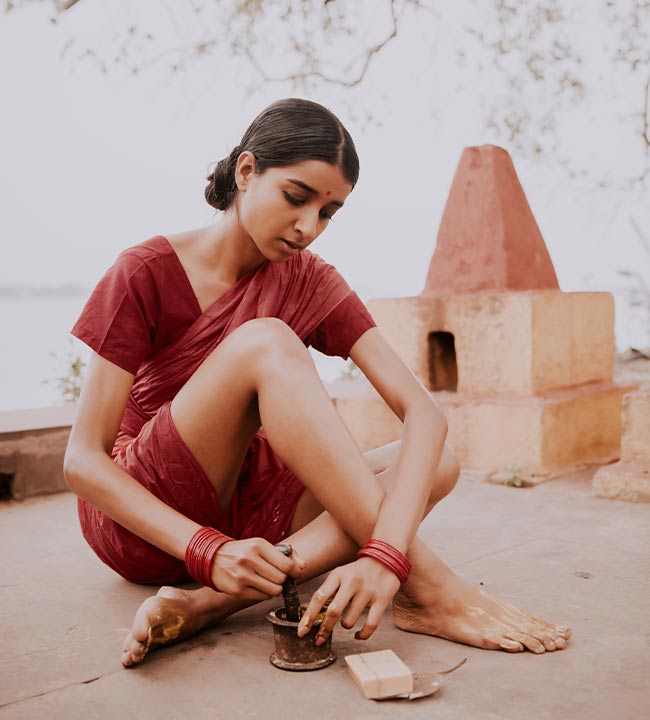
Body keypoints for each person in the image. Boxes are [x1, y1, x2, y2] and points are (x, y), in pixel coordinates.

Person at [64, 98, 571, 668]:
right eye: (296, 197)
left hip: (248, 528)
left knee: (437, 460)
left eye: (329, 212)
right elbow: (82, 461)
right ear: (248, 171)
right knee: (267, 340)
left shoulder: (309, 279)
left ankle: (213, 603)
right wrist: (204, 548)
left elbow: (424, 414)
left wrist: (380, 555)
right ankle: (432, 590)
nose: (309, 228)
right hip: (149, 521)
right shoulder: (144, 271)